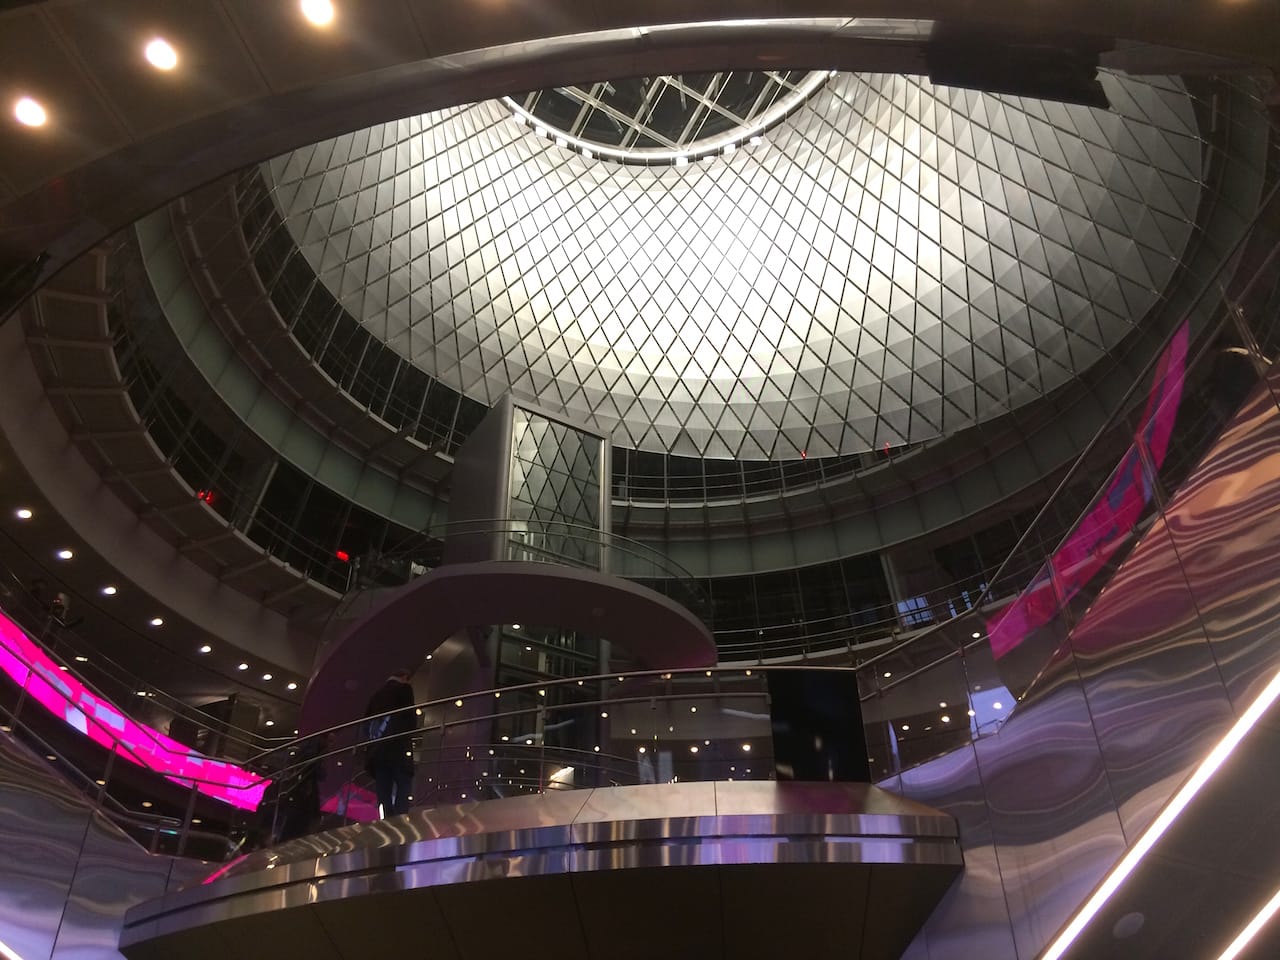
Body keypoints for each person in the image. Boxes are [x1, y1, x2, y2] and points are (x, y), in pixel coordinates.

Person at [363, 668, 416, 818]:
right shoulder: (404, 689)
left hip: (377, 749)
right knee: (403, 782)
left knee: (383, 787)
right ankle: (400, 818)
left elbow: (366, 723)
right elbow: (410, 718)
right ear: (405, 677)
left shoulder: (376, 695)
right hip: (398, 745)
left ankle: (385, 819)